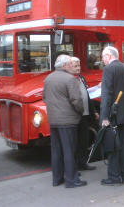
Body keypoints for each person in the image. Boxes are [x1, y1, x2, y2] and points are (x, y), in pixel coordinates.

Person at [42, 54, 87, 188]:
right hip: (68, 120)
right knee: (69, 150)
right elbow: (77, 100)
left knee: (56, 151)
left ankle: (57, 178)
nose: (70, 65)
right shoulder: (69, 79)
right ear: (64, 65)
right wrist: (80, 112)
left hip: (54, 120)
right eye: (68, 63)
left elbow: (44, 97)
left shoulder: (48, 78)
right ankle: (72, 180)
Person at [100, 46, 124, 185]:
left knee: (113, 146)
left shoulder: (108, 69)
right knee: (123, 145)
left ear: (109, 56)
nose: (102, 60)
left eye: (103, 57)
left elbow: (107, 95)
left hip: (114, 114)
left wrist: (104, 117)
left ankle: (114, 177)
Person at [69, 57, 99, 171]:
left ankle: (82, 163)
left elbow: (87, 95)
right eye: (75, 66)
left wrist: (94, 111)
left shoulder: (81, 78)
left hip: (85, 115)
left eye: (79, 65)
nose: (78, 68)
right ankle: (74, 167)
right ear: (69, 66)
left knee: (84, 140)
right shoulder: (69, 79)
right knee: (74, 142)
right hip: (75, 115)